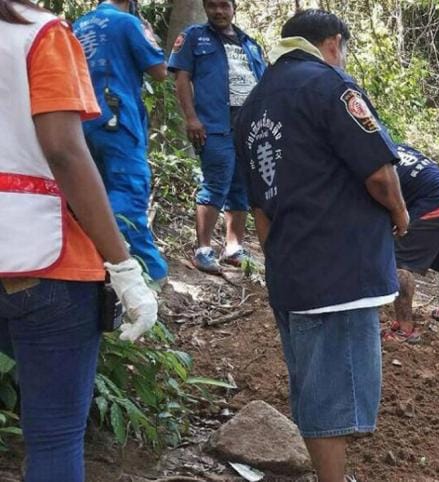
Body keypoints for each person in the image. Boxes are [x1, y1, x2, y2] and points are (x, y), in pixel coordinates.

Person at [233, 9, 408, 482]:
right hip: (340, 270)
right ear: (333, 43)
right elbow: (379, 174)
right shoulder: (332, 87)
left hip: (292, 269)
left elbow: (260, 207)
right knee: (332, 398)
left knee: (312, 388)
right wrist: (400, 212)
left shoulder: (254, 103)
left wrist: (279, 263)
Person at [0, 1, 158, 480]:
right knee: (54, 437)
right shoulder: (40, 34)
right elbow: (65, 151)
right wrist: (124, 267)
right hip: (44, 262)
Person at [73, 0, 169, 287]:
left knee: (91, 194)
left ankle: (97, 268)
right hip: (117, 119)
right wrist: (149, 35)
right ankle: (149, 273)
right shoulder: (127, 23)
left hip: (80, 124)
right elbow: (159, 71)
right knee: (128, 193)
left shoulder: (78, 25)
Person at [168, 0, 266, 274]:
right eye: (212, 6)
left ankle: (234, 248)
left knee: (241, 186)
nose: (219, 11)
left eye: (224, 6)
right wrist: (191, 118)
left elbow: (263, 84)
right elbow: (182, 79)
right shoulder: (194, 37)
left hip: (248, 127)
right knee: (216, 183)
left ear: (234, 8)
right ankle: (203, 250)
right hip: (214, 125)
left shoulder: (250, 44)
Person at [385, 144, 439, 342]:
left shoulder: (371, 161)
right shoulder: (399, 148)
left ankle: (405, 329)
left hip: (438, 201)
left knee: (400, 261)